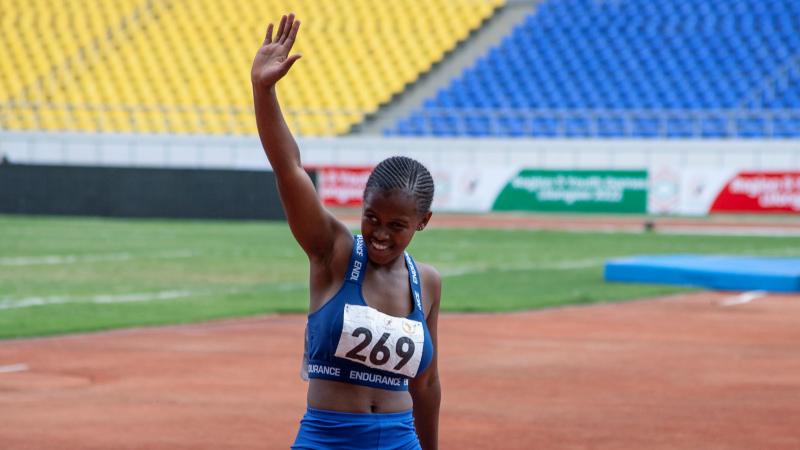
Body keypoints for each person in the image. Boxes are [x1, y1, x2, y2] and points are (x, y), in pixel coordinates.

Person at [251, 13, 441, 450]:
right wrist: (264, 90)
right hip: (327, 437)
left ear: (422, 223)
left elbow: (427, 384)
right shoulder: (332, 253)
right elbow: (289, 169)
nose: (379, 234)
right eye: (372, 217)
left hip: (400, 439)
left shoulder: (426, 282)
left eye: (397, 226)